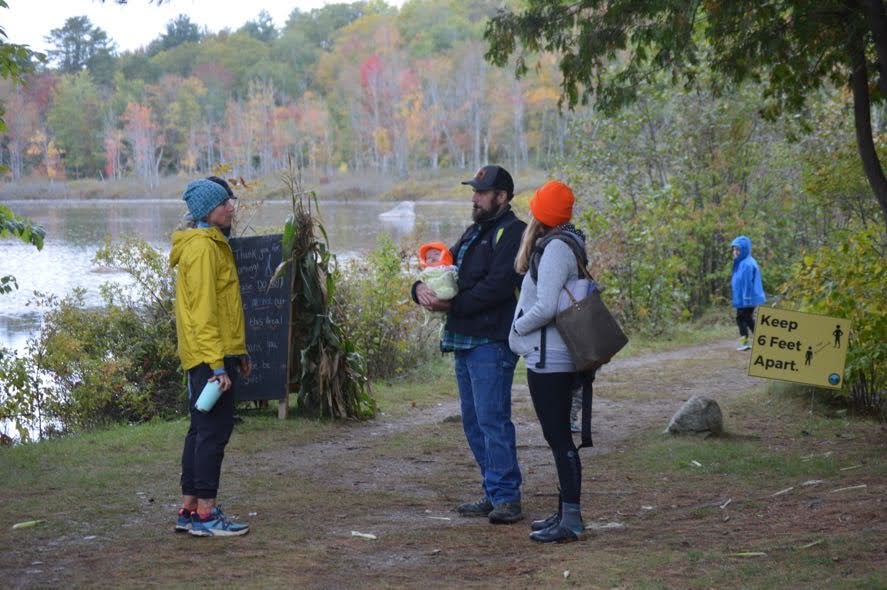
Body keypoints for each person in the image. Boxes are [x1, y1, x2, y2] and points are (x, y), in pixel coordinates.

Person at [411, 164, 526, 524]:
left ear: (501, 197)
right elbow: (444, 270)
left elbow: (497, 286)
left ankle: (507, 497)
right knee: (474, 422)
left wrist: (451, 304)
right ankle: (494, 493)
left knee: (493, 420)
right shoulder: (475, 231)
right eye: (474, 191)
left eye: (480, 192)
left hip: (492, 342)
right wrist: (418, 289)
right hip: (464, 340)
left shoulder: (514, 233)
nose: (474, 198)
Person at [171, 178, 252, 537]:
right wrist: (219, 366)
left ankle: (188, 509)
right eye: (224, 204)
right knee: (213, 434)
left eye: (229, 202)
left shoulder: (213, 244)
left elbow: (224, 310)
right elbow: (203, 313)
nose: (230, 208)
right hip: (209, 358)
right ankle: (206, 515)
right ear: (207, 211)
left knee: (200, 432)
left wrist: (238, 352)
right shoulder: (204, 248)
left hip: (214, 353)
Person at [509, 180, 588, 543]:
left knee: (559, 439)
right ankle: (563, 512)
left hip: (550, 357)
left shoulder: (556, 248)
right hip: (549, 355)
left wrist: (517, 328)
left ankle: (571, 520)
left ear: (541, 212)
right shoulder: (561, 243)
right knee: (557, 438)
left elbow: (547, 306)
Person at [730, 235, 766, 351]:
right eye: (734, 249)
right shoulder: (743, 262)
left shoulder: (746, 264)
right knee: (748, 318)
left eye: (738, 249)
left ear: (744, 249)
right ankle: (761, 339)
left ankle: (744, 343)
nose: (735, 252)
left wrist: (745, 298)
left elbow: (747, 283)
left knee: (741, 319)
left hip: (747, 299)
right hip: (747, 298)